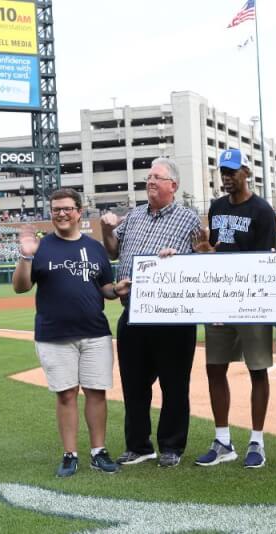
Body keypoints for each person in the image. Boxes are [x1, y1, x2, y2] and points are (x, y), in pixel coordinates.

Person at [12, 188, 125, 477]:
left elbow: (105, 289)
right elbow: (21, 287)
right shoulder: (42, 247)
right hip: (54, 334)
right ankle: (70, 454)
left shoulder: (95, 247)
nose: (61, 213)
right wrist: (25, 257)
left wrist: (117, 290)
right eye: (55, 209)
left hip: (95, 333)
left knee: (96, 393)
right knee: (66, 395)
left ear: (78, 211)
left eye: (66, 208)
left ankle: (98, 452)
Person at [100, 157, 201, 469]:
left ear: (174, 185)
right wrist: (106, 230)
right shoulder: (134, 216)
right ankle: (139, 445)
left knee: (174, 385)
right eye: (149, 177)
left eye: (157, 177)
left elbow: (204, 261)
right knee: (134, 385)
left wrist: (179, 259)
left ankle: (171, 446)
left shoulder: (190, 219)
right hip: (133, 311)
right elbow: (114, 250)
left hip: (173, 316)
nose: (151, 181)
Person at [194, 148, 276, 469]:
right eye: (222, 172)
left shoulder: (262, 211)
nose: (226, 178)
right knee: (215, 367)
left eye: (231, 172)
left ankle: (257, 442)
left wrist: (216, 257)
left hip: (252, 300)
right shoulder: (216, 207)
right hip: (219, 299)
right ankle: (223, 440)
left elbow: (262, 262)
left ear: (247, 172)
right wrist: (204, 252)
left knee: (257, 369)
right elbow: (215, 249)